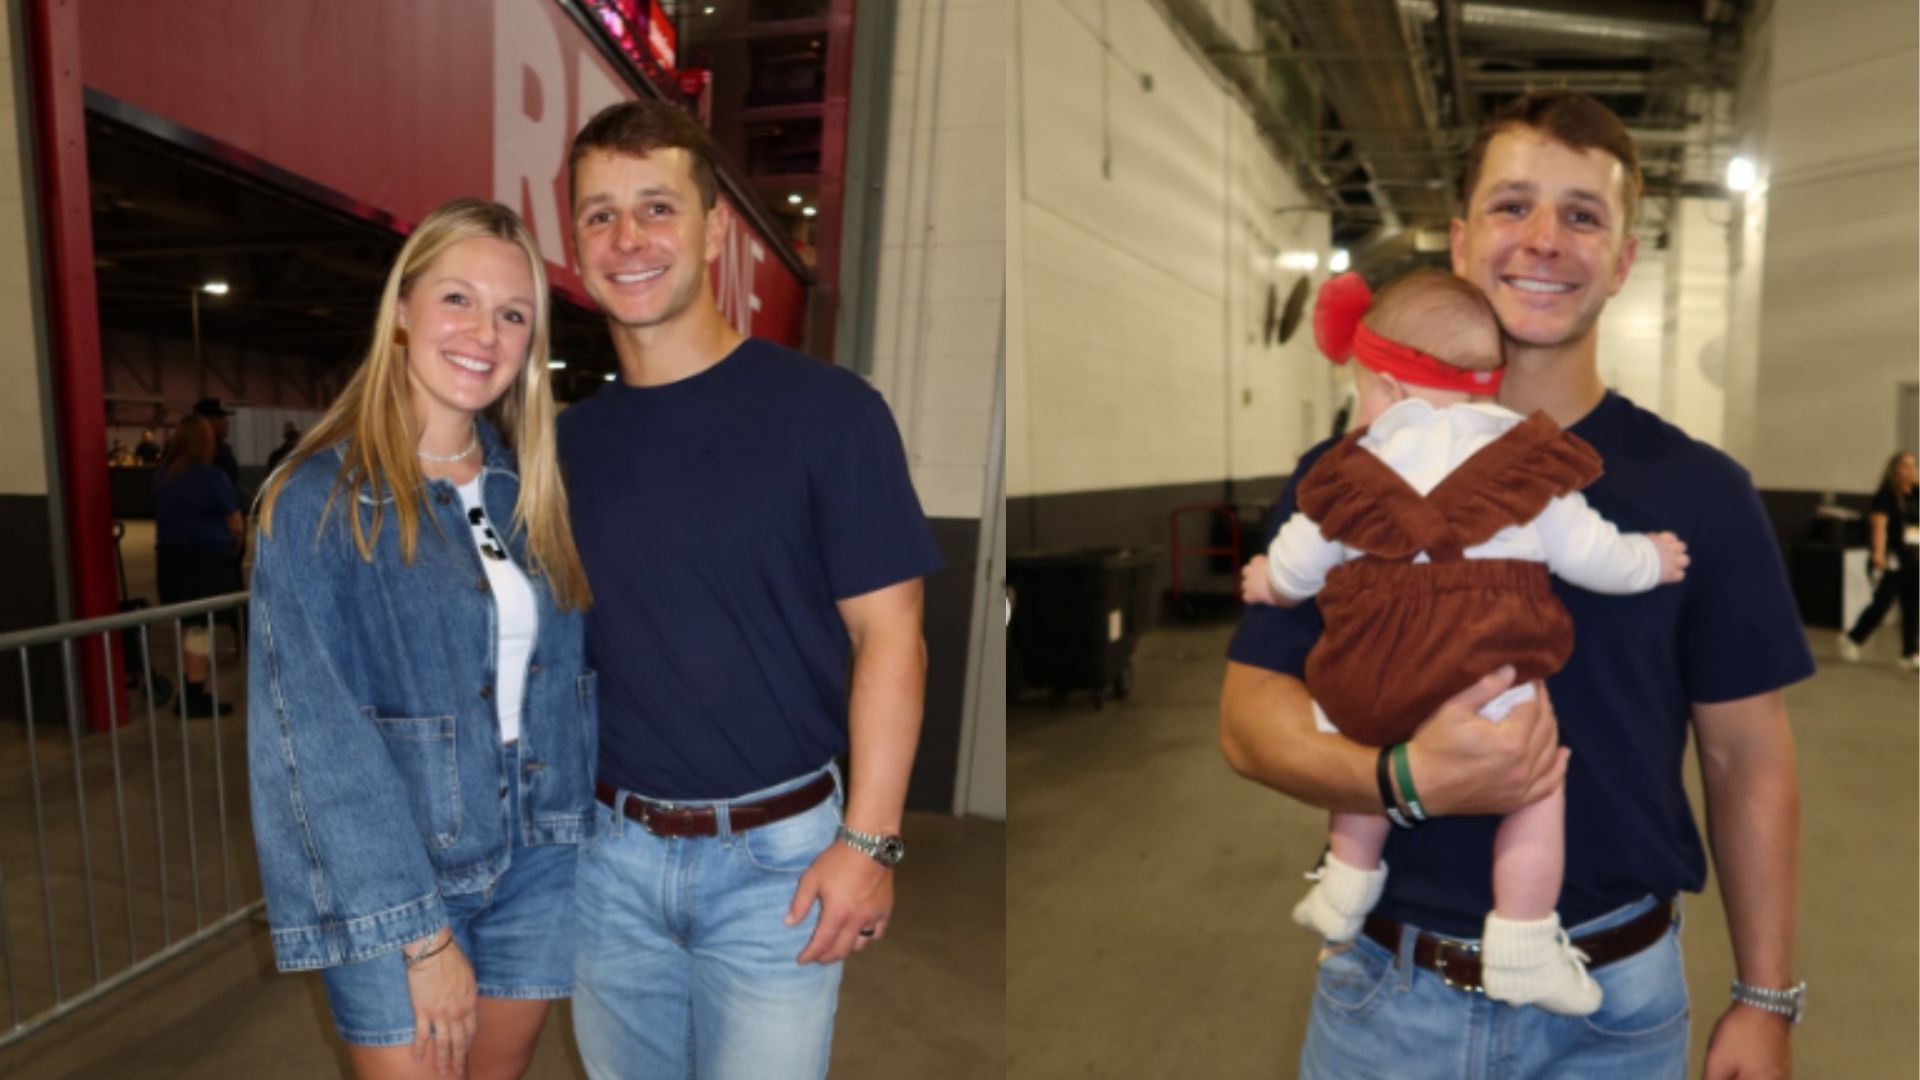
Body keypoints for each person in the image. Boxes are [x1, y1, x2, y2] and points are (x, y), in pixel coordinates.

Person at [1219, 90, 1811, 1079]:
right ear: (1460, 241)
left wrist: (1766, 998)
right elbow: (1249, 721)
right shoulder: (1347, 475)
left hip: (1613, 1013)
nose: (1543, 240)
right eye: (1512, 206)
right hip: (1388, 1000)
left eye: (1583, 215)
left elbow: (1747, 760)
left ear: (1623, 260)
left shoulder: (1700, 493)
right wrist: (1401, 780)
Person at [556, 99, 941, 1080]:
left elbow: (891, 636)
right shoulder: (568, 445)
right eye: (600, 214)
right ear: (574, 241)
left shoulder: (830, 414)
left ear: (715, 228)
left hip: (780, 867)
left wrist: (874, 843)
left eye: (657, 208)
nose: (628, 238)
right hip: (611, 864)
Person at [1240, 269, 1687, 1016]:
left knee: (1371, 753)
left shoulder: (1346, 469)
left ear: (1384, 386)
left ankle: (1344, 887)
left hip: (1369, 669)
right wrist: (1653, 560)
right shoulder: (1525, 458)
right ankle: (1522, 942)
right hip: (1486, 669)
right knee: (1536, 785)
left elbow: (1294, 567)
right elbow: (1592, 557)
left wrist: (1264, 582)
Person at [247, 199, 595, 1080]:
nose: (485, 332)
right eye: (458, 300)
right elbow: (317, 743)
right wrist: (420, 934)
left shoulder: (530, 491)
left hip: (538, 857)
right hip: (403, 877)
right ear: (402, 310)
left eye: (513, 314)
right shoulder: (318, 501)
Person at [153, 412, 243, 717]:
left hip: (171, 560)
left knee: (190, 627)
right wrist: (234, 546)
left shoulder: (164, 475)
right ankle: (194, 694)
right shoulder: (210, 476)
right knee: (200, 630)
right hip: (205, 563)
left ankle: (191, 689)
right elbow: (235, 523)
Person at [1838, 451, 1917, 668]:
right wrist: (1879, 553)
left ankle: (1910, 652)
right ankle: (1853, 638)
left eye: (1914, 466)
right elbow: (1879, 525)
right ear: (1895, 470)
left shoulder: (1915, 494)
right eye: (1906, 466)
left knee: (1913, 603)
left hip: (1913, 555)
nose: (1910, 470)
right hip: (1894, 556)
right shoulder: (1886, 494)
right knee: (1883, 602)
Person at [194, 398, 241, 489]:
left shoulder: (186, 450)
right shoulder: (216, 452)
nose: (227, 422)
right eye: (221, 417)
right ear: (208, 420)